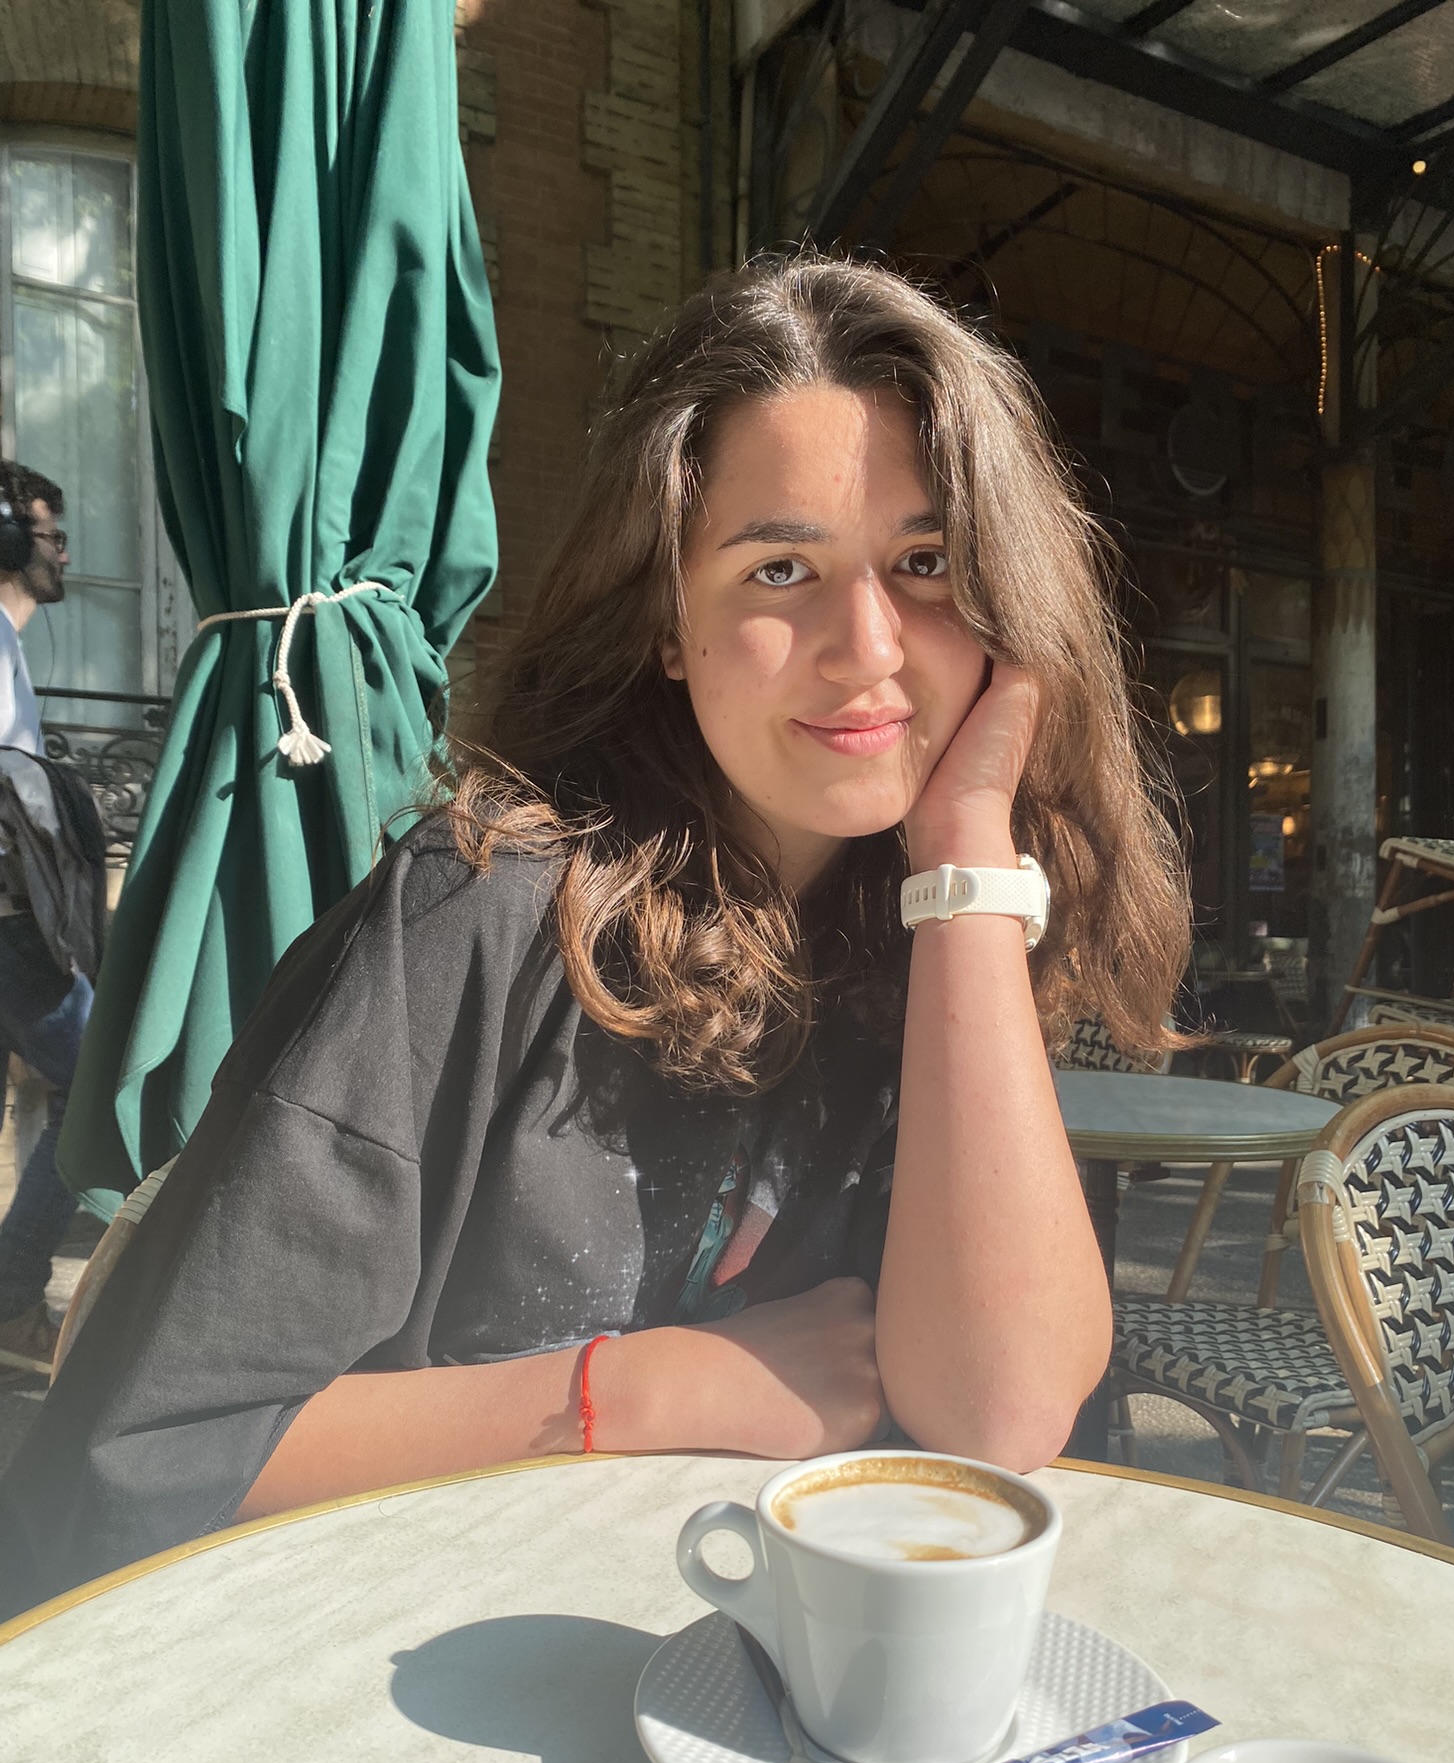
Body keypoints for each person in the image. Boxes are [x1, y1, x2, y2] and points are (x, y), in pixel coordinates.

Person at [0, 258, 1188, 1616]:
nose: (867, 645)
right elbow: (143, 1448)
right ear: (669, 621)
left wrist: (968, 857)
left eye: (925, 564)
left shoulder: (919, 934)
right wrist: (631, 1391)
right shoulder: (484, 908)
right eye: (780, 567)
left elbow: (1002, 1413)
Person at [0, 460, 94, 1370]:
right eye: (47, 535)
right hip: (11, 924)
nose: (62, 553)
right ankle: (13, 1298)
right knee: (94, 1082)